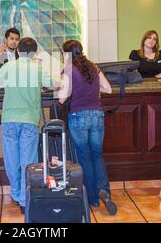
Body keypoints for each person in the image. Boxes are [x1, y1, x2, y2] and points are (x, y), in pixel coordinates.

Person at [0, 37, 56, 214]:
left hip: (9, 118)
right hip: (29, 120)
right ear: (34, 53)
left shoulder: (9, 66)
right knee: (28, 160)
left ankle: (15, 192)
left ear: (18, 50)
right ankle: (25, 200)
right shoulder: (37, 68)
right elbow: (55, 84)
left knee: (11, 159)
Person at [58, 40, 117, 215]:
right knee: (97, 155)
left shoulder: (68, 69)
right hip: (97, 116)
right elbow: (108, 89)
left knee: (84, 156)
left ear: (66, 54)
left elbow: (62, 98)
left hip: (78, 116)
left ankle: (92, 197)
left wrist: (61, 87)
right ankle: (104, 191)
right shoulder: (93, 67)